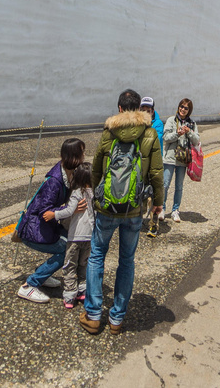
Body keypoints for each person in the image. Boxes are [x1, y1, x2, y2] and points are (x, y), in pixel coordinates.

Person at [81, 89, 163, 335]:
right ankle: (116, 319)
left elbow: (96, 167)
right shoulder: (149, 133)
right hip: (135, 208)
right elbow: (156, 173)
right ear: (139, 108)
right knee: (126, 260)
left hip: (106, 208)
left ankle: (94, 315)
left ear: (119, 108)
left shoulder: (109, 132)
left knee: (97, 256)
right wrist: (157, 202)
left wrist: (97, 195)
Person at [16, 137, 86, 304]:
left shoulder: (69, 173)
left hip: (48, 226)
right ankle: (29, 285)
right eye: (82, 153)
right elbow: (44, 212)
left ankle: (43, 273)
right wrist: (71, 210)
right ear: (74, 157)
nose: (84, 156)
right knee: (67, 250)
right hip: (33, 229)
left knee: (72, 244)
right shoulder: (55, 181)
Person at [45, 161, 94, 309]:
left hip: (75, 237)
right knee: (84, 265)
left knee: (70, 266)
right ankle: (83, 291)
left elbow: (68, 211)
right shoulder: (95, 193)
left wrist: (54, 214)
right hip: (90, 237)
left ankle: (69, 295)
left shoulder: (77, 193)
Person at [161, 98, 200, 221]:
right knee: (165, 184)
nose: (183, 109)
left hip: (183, 159)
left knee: (179, 186)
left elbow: (197, 140)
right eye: (181, 106)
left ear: (189, 110)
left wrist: (189, 132)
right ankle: (161, 208)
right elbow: (165, 138)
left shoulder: (192, 124)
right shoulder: (171, 120)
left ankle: (175, 210)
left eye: (186, 108)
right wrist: (177, 133)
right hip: (170, 158)